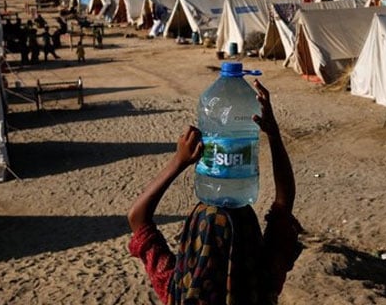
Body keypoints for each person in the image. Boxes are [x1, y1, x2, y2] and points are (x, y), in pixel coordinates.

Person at [128, 80, 302, 305]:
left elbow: (137, 217)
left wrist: (179, 161)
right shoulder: (261, 282)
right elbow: (283, 204)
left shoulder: (177, 291)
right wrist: (274, 135)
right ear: (249, 242)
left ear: (192, 245)